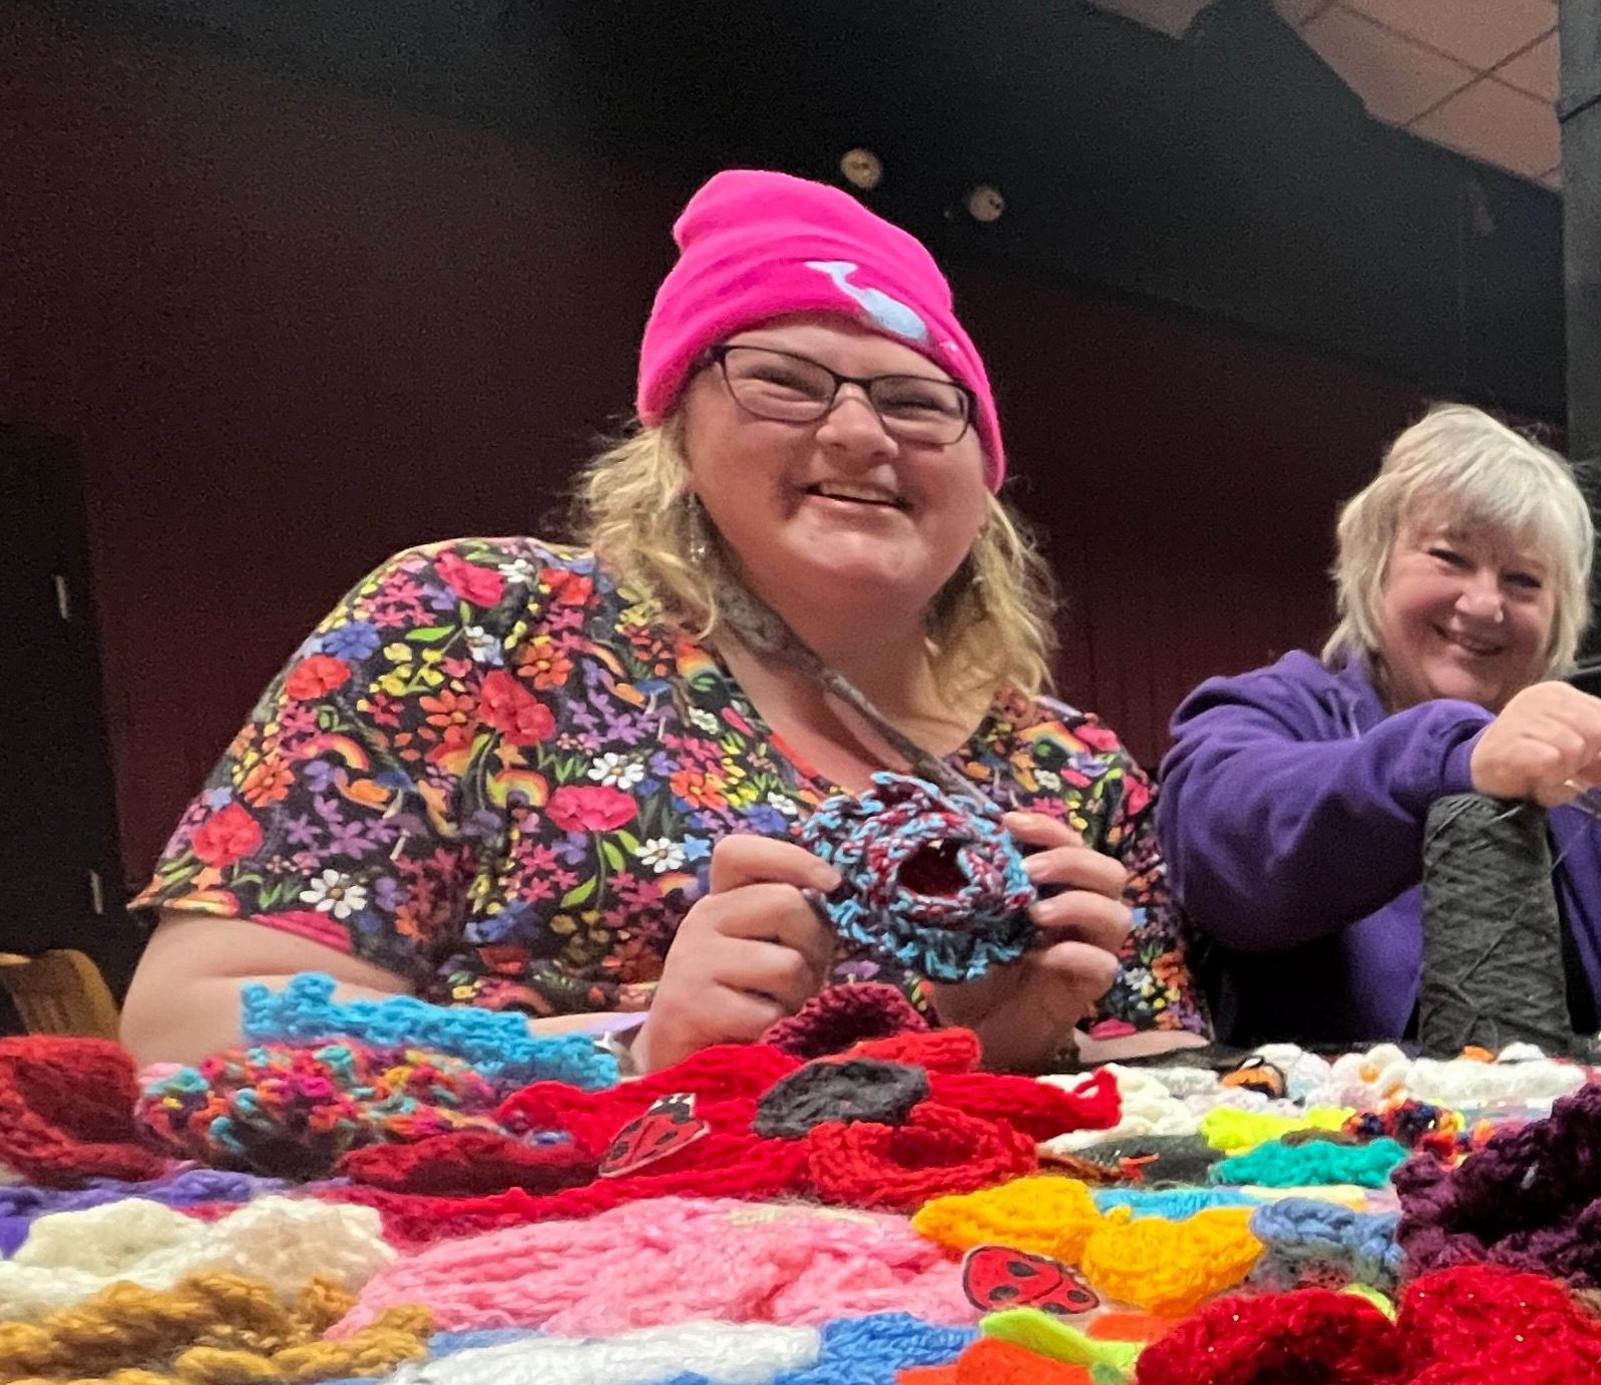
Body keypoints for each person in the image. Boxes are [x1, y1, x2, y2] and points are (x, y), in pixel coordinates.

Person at [125, 169, 1197, 1073]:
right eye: (784, 380)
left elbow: (1186, 1091)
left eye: (918, 401)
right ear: (677, 436)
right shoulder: (481, 629)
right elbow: (188, 1029)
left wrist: (1012, 1051)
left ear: (983, 472)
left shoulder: (1074, 772)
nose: (861, 433)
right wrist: (634, 1050)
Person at [1157, 406, 1601, 1044]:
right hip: (1331, 1144)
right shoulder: (1268, 713)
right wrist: (1457, 757)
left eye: (1523, 580)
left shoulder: (1587, 754)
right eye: (1449, 557)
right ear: (1375, 564)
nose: (1485, 603)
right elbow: (1228, 849)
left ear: (1560, 614)